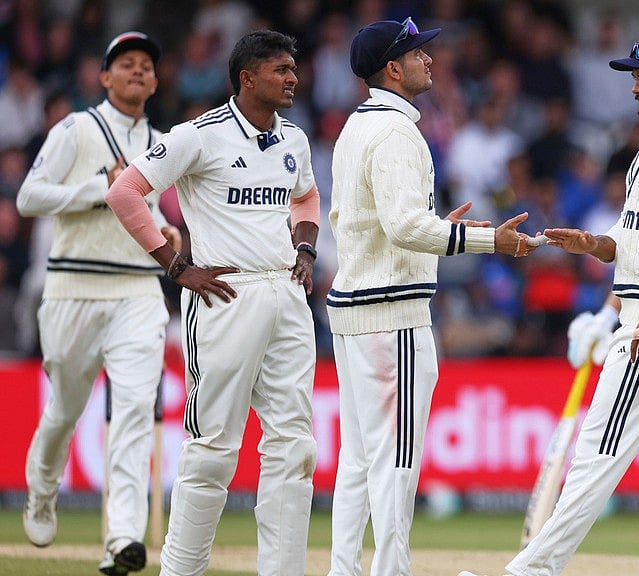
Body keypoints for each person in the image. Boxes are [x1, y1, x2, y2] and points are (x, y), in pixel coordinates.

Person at [462, 32, 639, 576]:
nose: (635, 87)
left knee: (595, 457)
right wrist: (596, 244)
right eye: (634, 76)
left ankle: (530, 571)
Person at [105, 30, 319, 576]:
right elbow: (124, 192)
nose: (293, 77)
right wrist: (176, 266)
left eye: (293, 68)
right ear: (247, 78)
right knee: (213, 450)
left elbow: (307, 195)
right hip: (227, 294)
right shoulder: (198, 135)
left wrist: (306, 248)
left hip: (286, 296)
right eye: (280, 69)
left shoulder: (294, 139)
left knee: (294, 448)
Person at [327, 18, 534, 576]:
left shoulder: (356, 127)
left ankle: (344, 569)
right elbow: (399, 227)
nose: (431, 61)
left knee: (357, 459)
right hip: (391, 315)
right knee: (396, 460)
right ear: (393, 68)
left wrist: (435, 228)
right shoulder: (396, 132)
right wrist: (491, 240)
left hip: (357, 311)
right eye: (419, 54)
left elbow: (372, 223)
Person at [17, 31, 175, 575]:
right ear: (103, 77)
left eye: (146, 66)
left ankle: (123, 537)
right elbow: (28, 197)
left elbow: (150, 214)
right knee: (64, 409)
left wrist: (166, 231)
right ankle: (41, 488)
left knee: (133, 411)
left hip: (137, 292)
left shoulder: (161, 141)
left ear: (155, 82)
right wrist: (95, 188)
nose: (138, 71)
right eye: (125, 64)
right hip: (72, 289)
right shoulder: (76, 128)